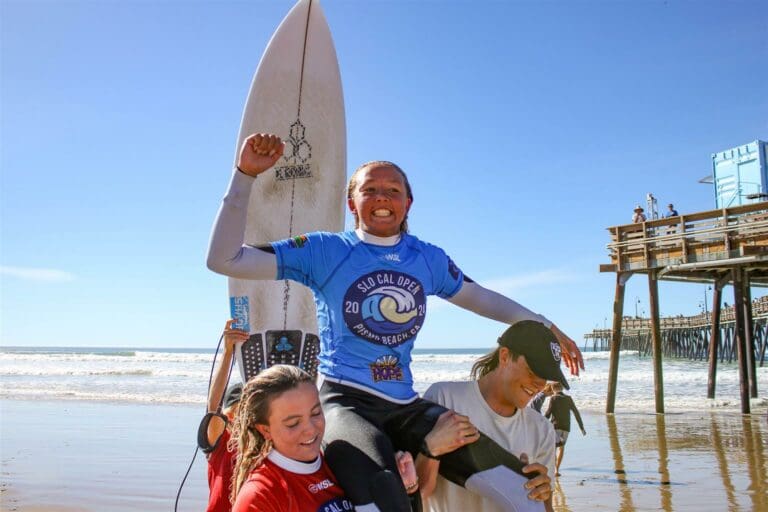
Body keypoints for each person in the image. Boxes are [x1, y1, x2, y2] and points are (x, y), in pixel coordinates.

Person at [207, 132, 584, 511]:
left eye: (392, 189)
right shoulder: (327, 250)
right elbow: (225, 260)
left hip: (406, 405)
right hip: (346, 403)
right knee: (388, 495)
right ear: (352, 203)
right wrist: (244, 175)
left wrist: (544, 325)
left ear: (408, 203)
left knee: (526, 491)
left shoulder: (427, 258)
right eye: (370, 190)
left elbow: (481, 298)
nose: (382, 197)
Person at [419, 321, 562, 512]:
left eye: (545, 376)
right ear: (505, 356)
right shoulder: (444, 399)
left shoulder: (542, 429)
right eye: (533, 371)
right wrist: (430, 449)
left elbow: (544, 508)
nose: (539, 384)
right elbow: (415, 494)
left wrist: (543, 493)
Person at [203, 320, 249, 512]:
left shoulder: (265, 439)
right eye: (235, 413)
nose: (239, 420)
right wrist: (227, 353)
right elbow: (213, 408)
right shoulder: (222, 443)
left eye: (246, 413)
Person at [544, 382, 586, 477]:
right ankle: (557, 469)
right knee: (561, 448)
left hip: (555, 427)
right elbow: (576, 412)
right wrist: (581, 427)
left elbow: (548, 412)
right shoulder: (568, 398)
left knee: (553, 448)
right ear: (562, 388)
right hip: (566, 427)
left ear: (553, 389)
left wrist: (541, 423)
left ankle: (554, 469)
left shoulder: (553, 398)